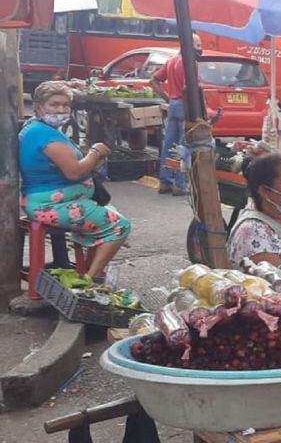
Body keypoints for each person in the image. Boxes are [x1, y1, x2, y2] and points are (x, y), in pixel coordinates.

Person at [20, 82, 131, 278]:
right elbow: (74, 172)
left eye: (65, 105)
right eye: (54, 105)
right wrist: (95, 152)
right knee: (120, 225)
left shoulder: (38, 127)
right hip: (47, 206)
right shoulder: (43, 134)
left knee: (110, 212)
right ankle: (93, 278)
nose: (61, 110)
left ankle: (88, 268)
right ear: (38, 106)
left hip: (58, 201)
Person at [150, 34, 202, 196]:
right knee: (183, 146)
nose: (200, 49)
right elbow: (189, 88)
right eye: (198, 45)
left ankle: (165, 182)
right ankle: (179, 183)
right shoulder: (190, 63)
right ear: (190, 46)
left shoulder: (172, 61)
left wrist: (167, 97)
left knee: (170, 145)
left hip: (173, 105)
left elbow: (153, 80)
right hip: (185, 105)